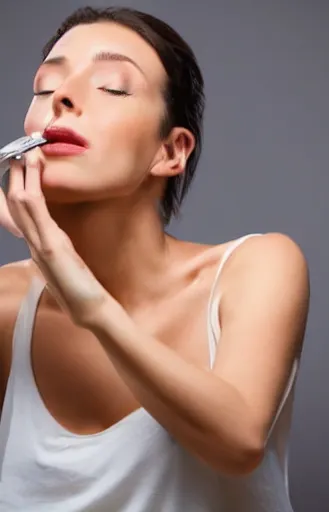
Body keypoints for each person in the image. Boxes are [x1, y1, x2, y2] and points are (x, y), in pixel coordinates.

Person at [0, 6, 309, 512]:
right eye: (43, 87)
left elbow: (238, 443)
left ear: (171, 152)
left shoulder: (256, 268)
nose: (61, 97)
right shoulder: (9, 307)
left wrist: (90, 304)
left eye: (114, 87)